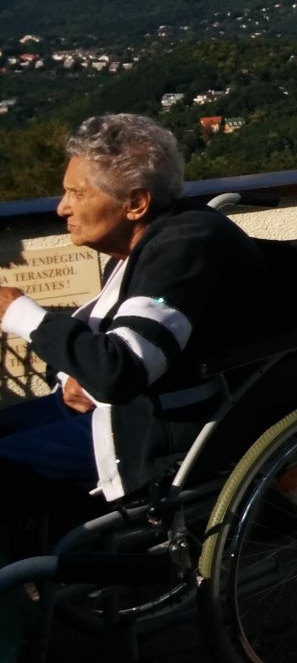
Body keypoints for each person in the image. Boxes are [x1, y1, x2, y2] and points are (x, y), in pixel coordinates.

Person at [0, 114, 276, 551]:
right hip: (121, 409)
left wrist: (19, 313)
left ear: (135, 203)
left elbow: (121, 369)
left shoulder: (183, 249)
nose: (62, 208)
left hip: (154, 431)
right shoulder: (144, 241)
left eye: (77, 193)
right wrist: (80, 378)